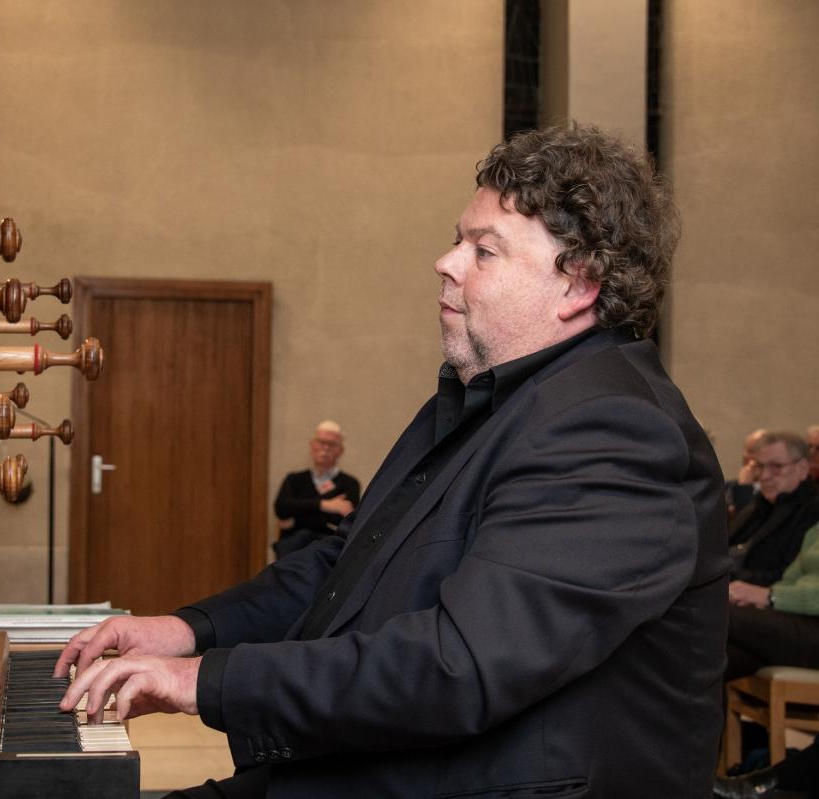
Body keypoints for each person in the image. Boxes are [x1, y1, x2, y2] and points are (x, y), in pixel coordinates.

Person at [54, 124, 729, 798]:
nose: (446, 261)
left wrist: (203, 680)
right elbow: (346, 565)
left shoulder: (613, 429)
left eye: (483, 250)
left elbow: (458, 664)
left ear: (578, 285)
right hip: (385, 767)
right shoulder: (494, 401)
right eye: (458, 239)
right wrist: (186, 630)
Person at [726, 521, 819, 680]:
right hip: (795, 619)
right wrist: (758, 602)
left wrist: (770, 596)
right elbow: (789, 579)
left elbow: (775, 593)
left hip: (812, 628)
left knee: (715, 612)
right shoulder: (815, 530)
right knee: (716, 655)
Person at [728, 431, 819, 587]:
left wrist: (727, 576)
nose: (764, 476)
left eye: (776, 466)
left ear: (802, 468)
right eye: (759, 466)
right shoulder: (762, 502)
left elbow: (787, 577)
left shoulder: (812, 510)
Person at [271, 421, 361, 559]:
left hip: (329, 547)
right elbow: (281, 508)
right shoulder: (294, 479)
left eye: (332, 444)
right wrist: (325, 505)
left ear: (340, 450)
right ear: (312, 445)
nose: (325, 448)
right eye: (321, 442)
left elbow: (345, 521)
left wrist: (297, 517)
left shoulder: (350, 483)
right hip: (293, 548)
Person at [726, 428, 767, 518]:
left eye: (760, 452)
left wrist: (744, 487)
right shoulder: (725, 487)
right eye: (750, 451)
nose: (753, 458)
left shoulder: (774, 493)